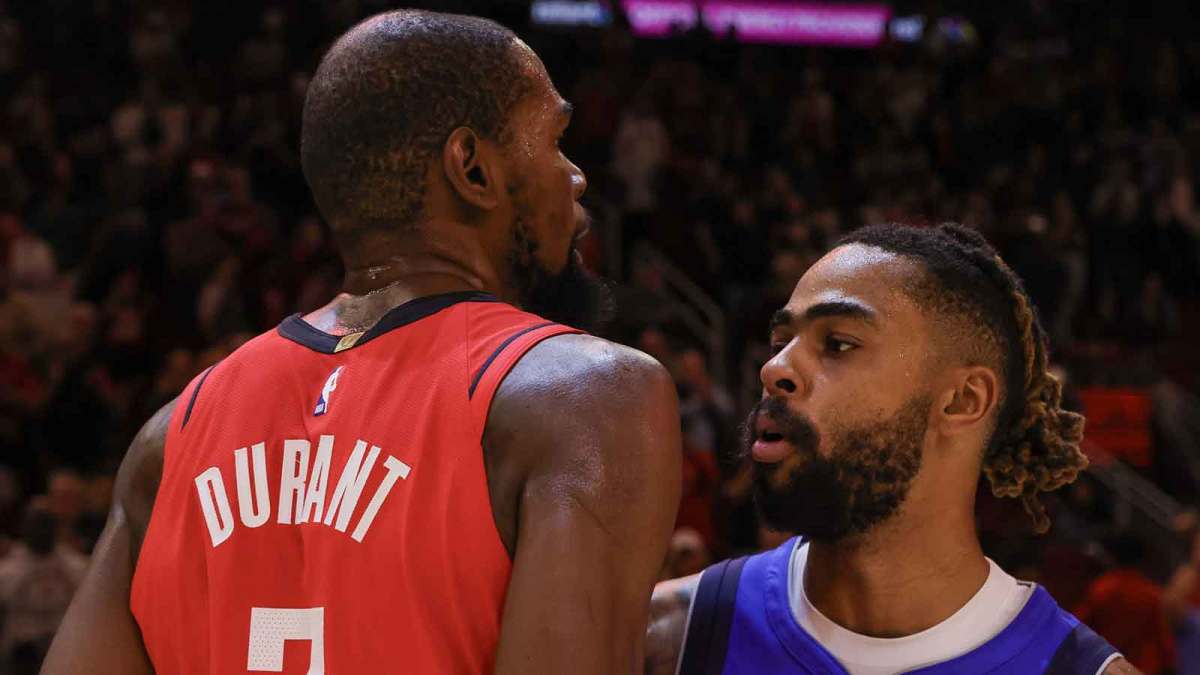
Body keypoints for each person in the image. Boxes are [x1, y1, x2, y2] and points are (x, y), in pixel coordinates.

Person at [43, 11, 681, 674]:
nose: (575, 177)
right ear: (473, 168)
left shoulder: (170, 437)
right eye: (554, 141)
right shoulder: (583, 397)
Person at [646, 223, 1138, 674]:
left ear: (962, 400)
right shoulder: (665, 638)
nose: (774, 368)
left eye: (837, 343)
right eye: (780, 339)